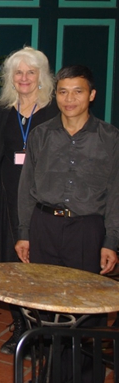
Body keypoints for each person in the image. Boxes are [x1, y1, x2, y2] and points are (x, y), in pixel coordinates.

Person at [0, 47, 57, 355]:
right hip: (6, 200)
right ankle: (21, 327)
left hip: (41, 203)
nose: (24, 78)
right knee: (11, 267)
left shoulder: (55, 112)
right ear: (11, 78)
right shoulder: (2, 113)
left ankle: (44, 329)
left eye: (31, 72)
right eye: (18, 72)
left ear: (41, 76)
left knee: (39, 268)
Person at [15, 64, 119, 297]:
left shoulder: (110, 138)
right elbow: (26, 188)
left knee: (85, 298)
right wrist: (24, 233)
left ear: (91, 95)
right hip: (44, 227)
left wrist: (111, 241)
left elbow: (116, 193)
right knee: (42, 295)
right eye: (63, 92)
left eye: (77, 91)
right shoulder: (40, 135)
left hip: (86, 230)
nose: (69, 99)